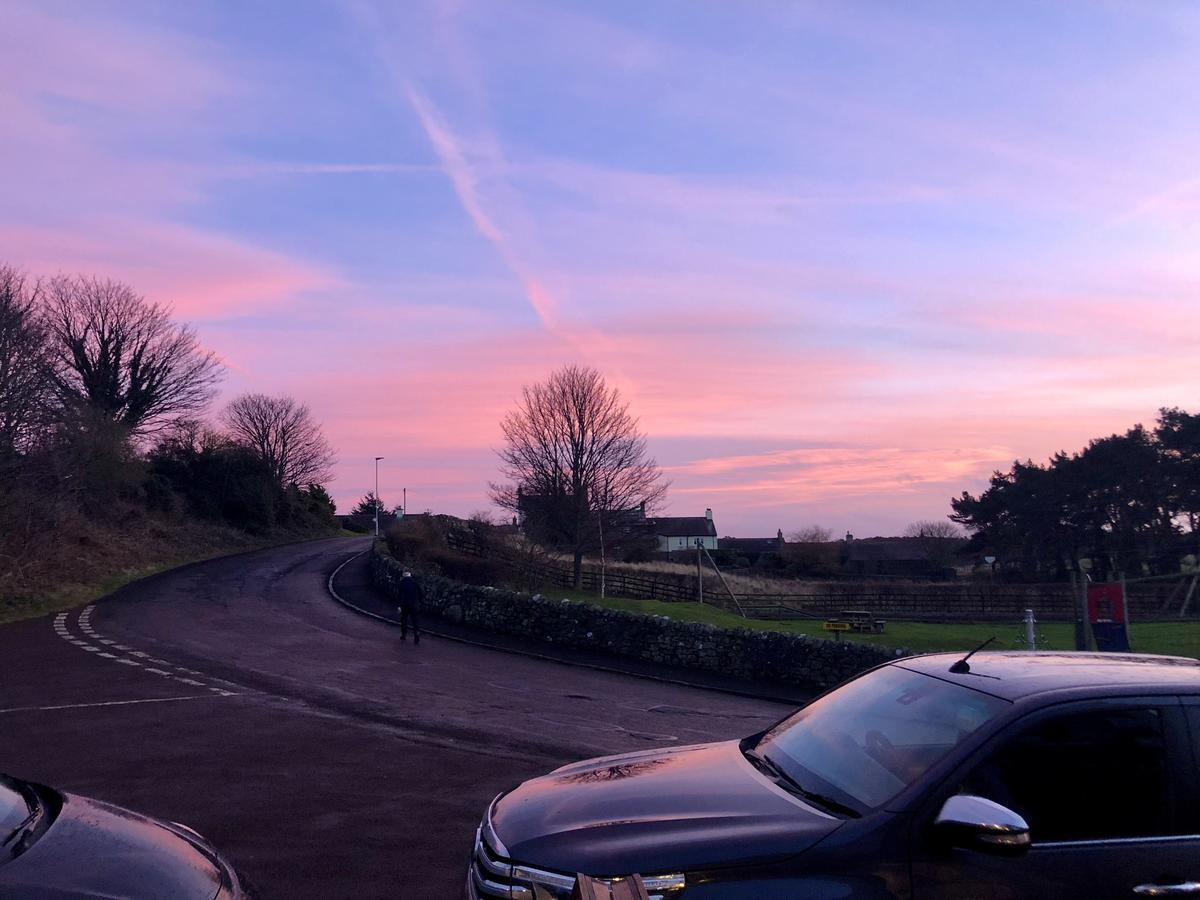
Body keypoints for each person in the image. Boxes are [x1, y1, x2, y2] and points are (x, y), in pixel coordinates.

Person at [397, 570, 423, 644]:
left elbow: (399, 595)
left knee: (404, 620)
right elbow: (421, 594)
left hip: (405, 605)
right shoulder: (415, 583)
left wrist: (399, 605)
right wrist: (419, 602)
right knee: (415, 621)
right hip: (414, 605)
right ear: (410, 575)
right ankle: (416, 633)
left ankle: (404, 634)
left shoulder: (402, 583)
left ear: (403, 576)